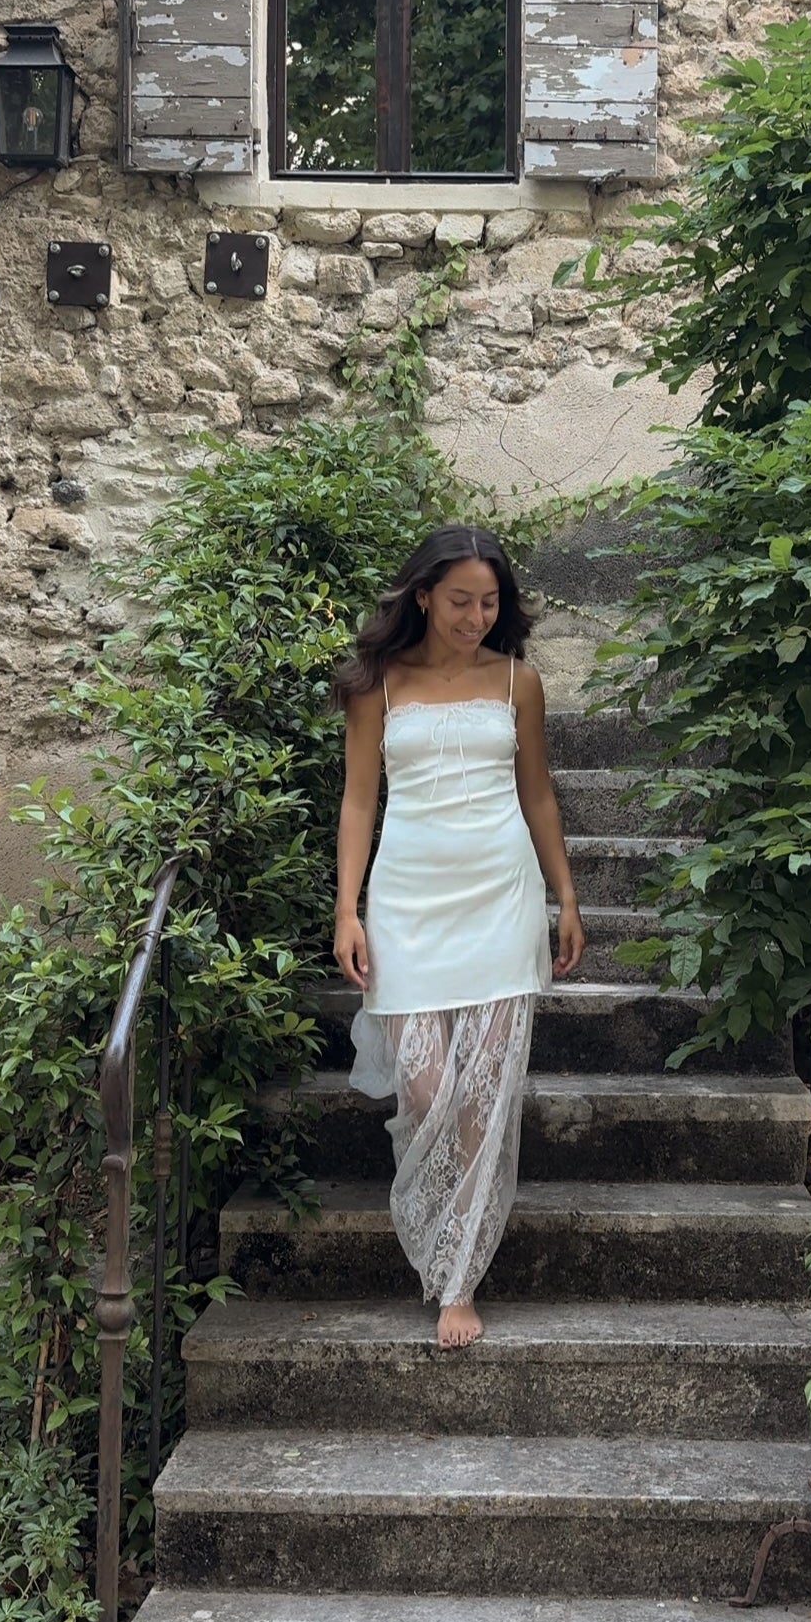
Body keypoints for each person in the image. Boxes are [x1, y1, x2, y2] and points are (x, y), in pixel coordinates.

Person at [332, 525, 585, 1349]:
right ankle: (444, 1237)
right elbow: (359, 801)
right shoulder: (378, 683)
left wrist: (565, 896)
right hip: (407, 902)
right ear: (423, 596)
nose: (477, 617)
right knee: (426, 1089)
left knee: (481, 1099)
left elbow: (538, 794)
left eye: (490, 602)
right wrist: (347, 909)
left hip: (500, 900)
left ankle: (459, 1277)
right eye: (460, 601)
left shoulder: (518, 681)